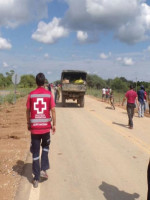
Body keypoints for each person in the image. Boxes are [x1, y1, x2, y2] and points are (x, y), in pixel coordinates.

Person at [26, 73, 56, 188]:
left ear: (36, 82)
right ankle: (43, 169)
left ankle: (36, 177)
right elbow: (53, 110)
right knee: (45, 148)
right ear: (44, 82)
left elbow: (27, 111)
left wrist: (28, 123)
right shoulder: (48, 95)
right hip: (45, 129)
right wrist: (54, 124)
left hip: (34, 129)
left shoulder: (31, 95)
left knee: (35, 152)